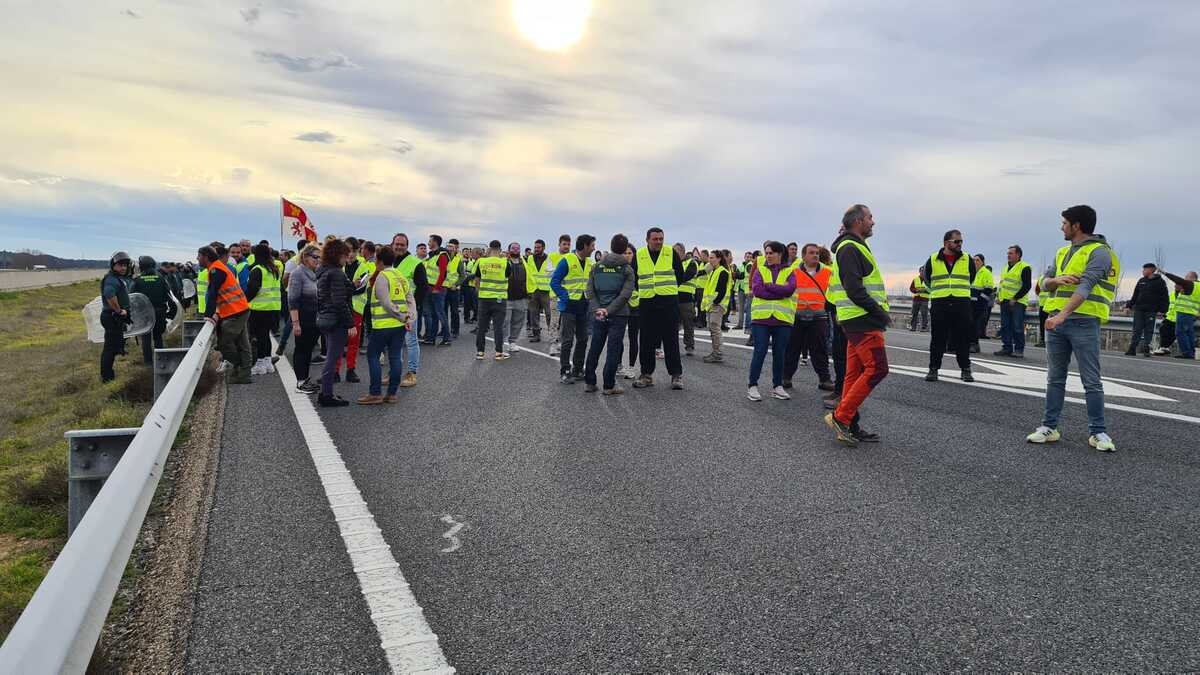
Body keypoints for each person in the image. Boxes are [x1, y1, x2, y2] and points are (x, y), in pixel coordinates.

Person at [1026, 205, 1121, 451]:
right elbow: (1042, 283)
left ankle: (1098, 433)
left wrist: (1062, 316)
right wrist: (1054, 281)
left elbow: (1086, 286)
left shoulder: (1100, 253)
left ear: (1076, 225)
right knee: (1055, 378)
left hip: (1083, 322)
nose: (1061, 227)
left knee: (1091, 380)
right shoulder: (1062, 253)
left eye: (1064, 223)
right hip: (1057, 322)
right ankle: (1049, 427)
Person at [824, 204, 890, 445]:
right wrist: (880, 313)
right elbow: (854, 289)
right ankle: (841, 417)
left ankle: (850, 424)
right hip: (862, 319)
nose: (873, 222)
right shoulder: (850, 248)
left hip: (855, 318)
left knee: (854, 374)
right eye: (870, 217)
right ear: (858, 221)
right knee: (878, 368)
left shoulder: (853, 246)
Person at [357, 246, 416, 405]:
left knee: (373, 355)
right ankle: (391, 394)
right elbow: (411, 300)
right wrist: (408, 318)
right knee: (396, 357)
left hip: (383, 325)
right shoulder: (400, 275)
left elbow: (386, 303)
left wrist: (402, 316)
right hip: (399, 326)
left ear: (380, 260)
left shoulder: (382, 276)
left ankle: (375, 393)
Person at [632, 228, 687, 390]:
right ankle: (646, 375)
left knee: (671, 340)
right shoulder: (640, 254)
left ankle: (676, 375)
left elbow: (680, 275)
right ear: (647, 240)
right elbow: (634, 277)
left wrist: (667, 290)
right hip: (647, 303)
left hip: (668, 302)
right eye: (655, 239)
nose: (658, 242)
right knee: (646, 341)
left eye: (661, 239)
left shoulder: (670, 253)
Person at [583, 234, 635, 394]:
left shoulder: (597, 267)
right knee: (613, 349)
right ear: (624, 248)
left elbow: (589, 291)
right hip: (618, 314)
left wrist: (598, 309)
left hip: (598, 314)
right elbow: (625, 294)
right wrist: (609, 310)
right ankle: (608, 386)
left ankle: (590, 383)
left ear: (611, 246)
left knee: (595, 346)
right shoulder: (627, 268)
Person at [923, 229, 977, 382]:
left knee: (962, 338)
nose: (960, 244)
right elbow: (927, 279)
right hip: (940, 302)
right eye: (957, 241)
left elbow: (971, 278)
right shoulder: (933, 259)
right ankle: (933, 369)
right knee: (938, 338)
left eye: (961, 241)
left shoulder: (967, 259)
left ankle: (965, 370)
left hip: (961, 303)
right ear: (947, 243)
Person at [745, 241, 796, 401]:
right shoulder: (760, 269)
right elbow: (758, 290)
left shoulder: (790, 270)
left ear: (780, 254)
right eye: (766, 253)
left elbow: (790, 289)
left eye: (771, 253)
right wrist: (779, 291)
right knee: (759, 352)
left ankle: (777, 386)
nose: (768, 256)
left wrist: (770, 286)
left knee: (780, 354)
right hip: (762, 318)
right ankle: (752, 386)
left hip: (782, 319)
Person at [198, 244, 253, 384]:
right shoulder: (217, 268)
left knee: (224, 343)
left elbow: (212, 293)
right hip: (238, 309)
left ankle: (241, 367)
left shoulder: (216, 270)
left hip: (236, 311)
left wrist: (208, 315)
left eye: (199, 256)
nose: (197, 258)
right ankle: (244, 374)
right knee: (242, 344)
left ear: (206, 257)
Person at [783, 243, 834, 390]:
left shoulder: (828, 272)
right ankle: (785, 377)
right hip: (796, 316)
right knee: (792, 348)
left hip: (818, 317)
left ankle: (824, 380)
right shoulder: (792, 271)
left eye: (817, 253)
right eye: (811, 253)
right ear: (804, 256)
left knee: (820, 350)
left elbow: (835, 293)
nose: (815, 255)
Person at [316, 239, 356, 407]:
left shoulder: (323, 271)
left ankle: (327, 392)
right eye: (345, 255)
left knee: (331, 356)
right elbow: (340, 302)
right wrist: (350, 323)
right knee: (333, 357)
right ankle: (327, 394)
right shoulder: (337, 273)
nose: (347, 259)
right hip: (336, 320)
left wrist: (351, 286)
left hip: (325, 317)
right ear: (338, 255)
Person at [551, 234, 596, 382]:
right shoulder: (567, 261)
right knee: (568, 340)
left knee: (583, 339)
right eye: (592, 246)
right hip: (569, 307)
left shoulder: (590, 263)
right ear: (584, 246)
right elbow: (554, 282)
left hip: (584, 306)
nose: (594, 249)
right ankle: (565, 371)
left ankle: (578, 369)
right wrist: (565, 297)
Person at [391, 233, 426, 387]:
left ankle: (412, 373)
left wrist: (413, 308)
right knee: (394, 342)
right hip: (391, 310)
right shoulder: (389, 261)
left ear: (407, 246)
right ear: (392, 244)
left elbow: (423, 287)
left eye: (402, 245)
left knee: (411, 342)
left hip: (408, 311)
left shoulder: (415, 263)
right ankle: (394, 373)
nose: (399, 247)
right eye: (396, 244)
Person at [287, 243, 322, 393]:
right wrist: (296, 323)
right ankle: (300, 383)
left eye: (320, 258)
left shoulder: (315, 273)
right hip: (303, 318)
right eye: (315, 257)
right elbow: (292, 300)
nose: (318, 260)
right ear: (305, 257)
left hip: (315, 319)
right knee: (301, 350)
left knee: (308, 350)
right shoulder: (297, 273)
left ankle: (305, 379)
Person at [244, 243, 282, 376]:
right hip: (273, 308)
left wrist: (244, 301)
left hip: (259, 308)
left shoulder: (258, 269)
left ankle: (260, 364)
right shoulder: (274, 269)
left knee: (260, 336)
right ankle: (267, 362)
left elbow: (252, 289)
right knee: (266, 335)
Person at [341, 242, 375, 382]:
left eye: (353, 250)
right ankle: (335, 372)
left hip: (355, 309)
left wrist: (344, 288)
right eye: (347, 250)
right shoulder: (339, 266)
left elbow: (361, 288)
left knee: (353, 342)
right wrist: (351, 285)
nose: (350, 254)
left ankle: (350, 370)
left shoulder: (364, 267)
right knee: (337, 342)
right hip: (340, 308)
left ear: (357, 251)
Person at [994, 245, 1033, 357]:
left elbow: (1027, 286)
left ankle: (1019, 350)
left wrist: (1015, 298)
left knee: (1017, 326)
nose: (1008, 255)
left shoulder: (1024, 267)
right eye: (1008, 253)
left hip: (1018, 302)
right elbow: (1002, 284)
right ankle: (1007, 348)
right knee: (1005, 326)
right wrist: (998, 297)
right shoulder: (1005, 267)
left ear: (1018, 255)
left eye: (1011, 253)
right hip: (1004, 301)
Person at [474, 240, 511, 360]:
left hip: (484, 298)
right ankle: (498, 352)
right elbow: (508, 277)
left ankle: (480, 352)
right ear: (500, 250)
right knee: (498, 326)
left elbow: (477, 280)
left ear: (489, 249)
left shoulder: (481, 261)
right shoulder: (505, 263)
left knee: (481, 326)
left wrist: (481, 291)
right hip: (499, 299)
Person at [100, 251, 133, 382]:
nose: (123, 268)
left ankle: (108, 374)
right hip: (111, 316)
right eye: (120, 265)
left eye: (125, 265)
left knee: (113, 347)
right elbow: (109, 295)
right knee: (109, 348)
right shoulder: (111, 279)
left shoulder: (117, 278)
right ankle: (107, 377)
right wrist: (119, 311)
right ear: (113, 265)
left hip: (113, 316)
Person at [1124, 263, 1170, 356]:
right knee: (1137, 329)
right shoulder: (1141, 281)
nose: (1143, 271)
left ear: (1151, 270)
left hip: (1151, 310)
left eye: (1144, 269)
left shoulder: (1160, 282)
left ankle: (1146, 348)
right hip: (1139, 309)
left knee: (1149, 330)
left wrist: (1162, 310)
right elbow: (1135, 295)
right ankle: (1132, 348)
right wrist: (1128, 306)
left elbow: (1165, 297)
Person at [132, 256, 170, 366]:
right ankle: (160, 360)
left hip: (144, 314)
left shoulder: (137, 280)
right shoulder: (161, 278)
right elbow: (168, 294)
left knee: (146, 337)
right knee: (158, 336)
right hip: (159, 311)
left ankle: (148, 362)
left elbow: (132, 298)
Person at [700, 250, 733, 363]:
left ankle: (717, 353)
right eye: (709, 258)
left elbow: (721, 290)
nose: (710, 260)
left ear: (719, 259)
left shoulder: (722, 271)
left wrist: (715, 302)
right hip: (713, 305)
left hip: (717, 305)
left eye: (712, 257)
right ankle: (715, 352)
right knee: (713, 329)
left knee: (715, 329)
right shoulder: (714, 271)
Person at [421, 234, 452, 345]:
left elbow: (442, 273)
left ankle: (447, 338)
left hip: (438, 289)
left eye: (430, 241)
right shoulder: (433, 256)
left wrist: (436, 288)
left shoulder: (442, 255)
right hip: (431, 287)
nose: (428, 243)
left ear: (435, 242)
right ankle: (431, 338)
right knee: (434, 314)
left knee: (440, 314)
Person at [503, 242, 532, 354]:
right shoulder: (504, 262)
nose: (515, 250)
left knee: (518, 321)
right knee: (505, 322)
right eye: (513, 248)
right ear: (509, 249)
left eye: (517, 248)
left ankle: (512, 342)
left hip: (521, 297)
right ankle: (502, 344)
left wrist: (529, 293)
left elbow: (529, 278)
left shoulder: (524, 262)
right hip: (506, 297)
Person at [1161, 270, 1197, 359]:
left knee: (1180, 333)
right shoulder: (1197, 286)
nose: (1185, 279)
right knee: (1189, 333)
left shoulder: (1191, 285)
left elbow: (1178, 280)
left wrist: (1165, 273)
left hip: (1184, 312)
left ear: (1193, 278)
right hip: (1191, 313)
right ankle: (1191, 352)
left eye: (1187, 277)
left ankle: (1187, 353)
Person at [526, 239, 556, 343]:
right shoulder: (530, 258)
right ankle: (536, 335)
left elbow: (552, 274)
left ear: (543, 247)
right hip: (533, 290)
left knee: (549, 314)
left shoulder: (549, 259)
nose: (536, 249)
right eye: (535, 247)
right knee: (533, 314)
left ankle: (552, 336)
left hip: (546, 291)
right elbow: (528, 274)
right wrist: (528, 290)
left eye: (538, 247)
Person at [674, 243, 699, 356]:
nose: (673, 254)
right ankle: (672, 346)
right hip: (673, 297)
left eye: (676, 252)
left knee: (688, 324)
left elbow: (686, 276)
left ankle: (689, 345)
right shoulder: (672, 263)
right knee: (672, 323)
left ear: (682, 252)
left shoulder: (691, 263)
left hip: (687, 299)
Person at [622, 244, 642, 380]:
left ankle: (631, 367)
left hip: (636, 308)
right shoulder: (618, 269)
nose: (627, 255)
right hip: (621, 307)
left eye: (630, 253)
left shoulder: (639, 269)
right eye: (625, 253)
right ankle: (618, 365)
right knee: (617, 337)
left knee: (633, 338)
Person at [548, 234, 571, 356]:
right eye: (564, 244)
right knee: (555, 320)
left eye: (568, 244)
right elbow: (549, 273)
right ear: (559, 244)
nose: (566, 246)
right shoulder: (552, 256)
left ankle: (562, 342)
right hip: (556, 294)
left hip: (568, 294)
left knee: (566, 321)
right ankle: (553, 343)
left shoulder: (572, 258)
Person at [970, 254, 995, 352]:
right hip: (970, 302)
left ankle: (974, 344)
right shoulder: (971, 272)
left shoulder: (986, 272)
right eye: (974, 260)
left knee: (975, 324)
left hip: (979, 303)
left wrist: (980, 300)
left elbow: (989, 289)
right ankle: (972, 344)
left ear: (982, 262)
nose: (975, 262)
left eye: (977, 260)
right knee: (970, 324)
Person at [735, 251, 754, 331]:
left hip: (749, 290)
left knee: (749, 309)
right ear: (744, 257)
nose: (748, 258)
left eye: (750, 257)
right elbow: (737, 275)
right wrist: (738, 275)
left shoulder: (752, 266)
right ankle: (740, 324)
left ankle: (748, 325)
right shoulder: (740, 266)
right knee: (741, 308)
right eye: (747, 257)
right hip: (741, 289)